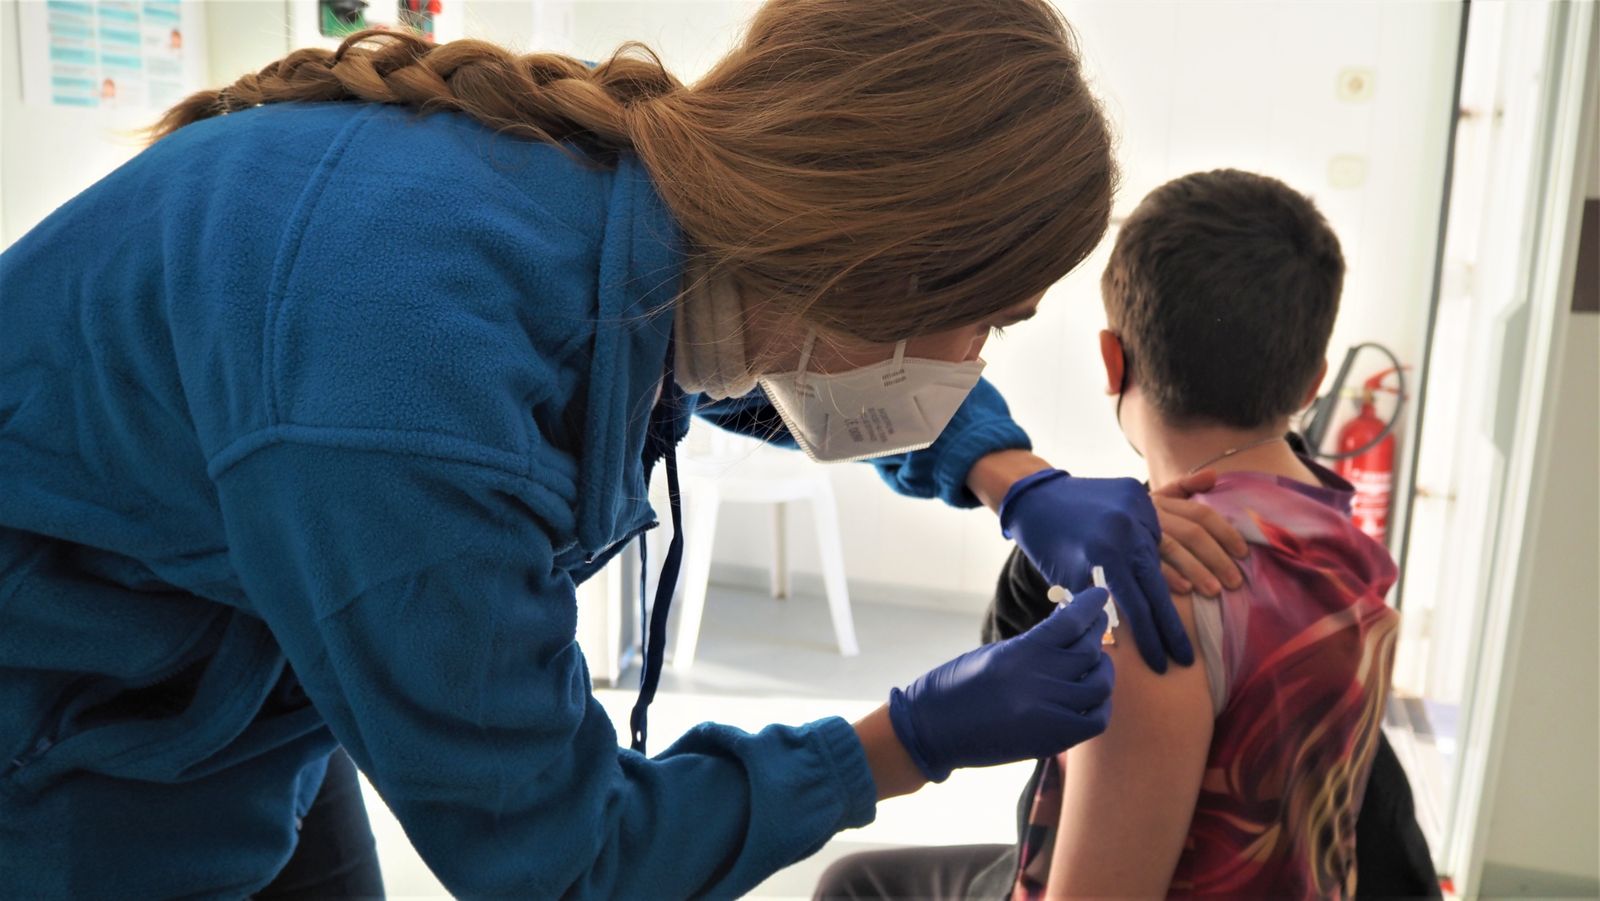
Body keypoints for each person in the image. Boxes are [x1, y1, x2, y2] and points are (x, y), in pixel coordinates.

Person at [0, 4, 1250, 898]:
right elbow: (559, 854)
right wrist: (900, 743)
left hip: (227, 655)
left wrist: (1008, 475)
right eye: (991, 317)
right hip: (69, 722)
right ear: (878, 262)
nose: (975, 358)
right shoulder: (406, 392)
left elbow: (725, 356)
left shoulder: (623, 182)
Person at [816, 170, 1433, 899]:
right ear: (1311, 384)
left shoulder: (1159, 593)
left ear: (1114, 362)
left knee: (853, 885)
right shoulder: (1348, 545)